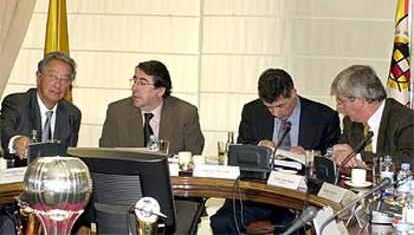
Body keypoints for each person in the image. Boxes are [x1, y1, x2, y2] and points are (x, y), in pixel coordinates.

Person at [210, 68, 340, 234]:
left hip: (298, 199)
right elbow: (240, 151)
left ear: (294, 93)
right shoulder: (252, 111)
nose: (276, 113)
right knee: (221, 222)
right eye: (269, 107)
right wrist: (259, 146)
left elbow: (332, 162)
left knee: (291, 229)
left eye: (280, 106)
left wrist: (310, 157)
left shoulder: (323, 116)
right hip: (257, 195)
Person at [99, 60, 205, 234]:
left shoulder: (185, 113)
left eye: (142, 83)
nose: (135, 87)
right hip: (128, 193)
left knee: (186, 214)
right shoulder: (117, 111)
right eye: (134, 81)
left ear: (160, 91)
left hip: (173, 194)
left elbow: (193, 156)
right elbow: (106, 155)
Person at [0, 51, 81, 235]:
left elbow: (69, 156)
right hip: (15, 199)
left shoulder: (72, 114)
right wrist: (16, 141)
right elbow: (3, 131)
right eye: (53, 76)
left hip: (54, 200)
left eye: (65, 79)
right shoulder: (17, 102)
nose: (58, 84)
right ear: (39, 77)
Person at [331, 64, 414, 168]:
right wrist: (339, 153)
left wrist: (360, 157)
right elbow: (342, 148)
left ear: (360, 101)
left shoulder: (405, 119)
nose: (339, 107)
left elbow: (409, 158)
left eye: (341, 101)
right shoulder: (350, 121)